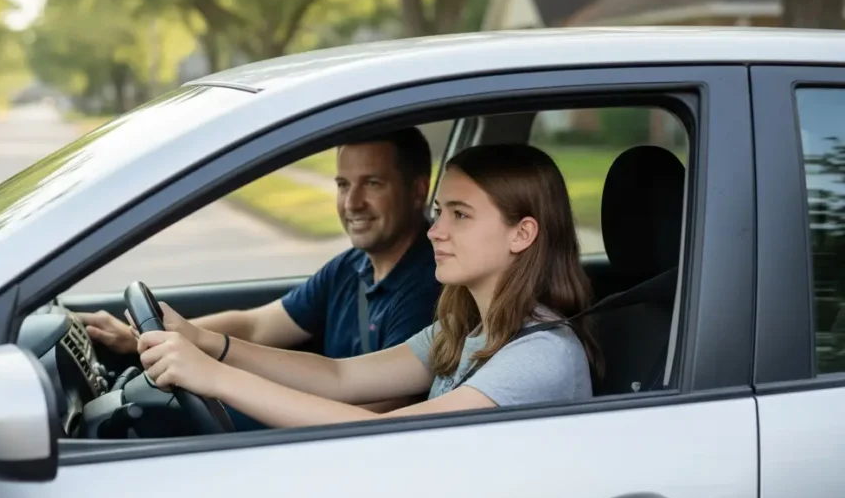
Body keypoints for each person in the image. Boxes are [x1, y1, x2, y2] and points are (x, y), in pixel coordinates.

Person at [134, 143, 604, 429]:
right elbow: (341, 378)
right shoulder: (464, 328)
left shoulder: (541, 354)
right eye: (440, 212)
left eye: (460, 215)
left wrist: (214, 378)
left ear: (522, 233)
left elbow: (386, 432)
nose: (435, 230)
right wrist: (210, 344)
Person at [78, 127, 442, 411]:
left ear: (417, 191)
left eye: (373, 184)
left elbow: (385, 411)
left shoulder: (430, 285)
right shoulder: (350, 267)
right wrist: (141, 337)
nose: (352, 202)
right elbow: (257, 324)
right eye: (343, 184)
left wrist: (229, 386)